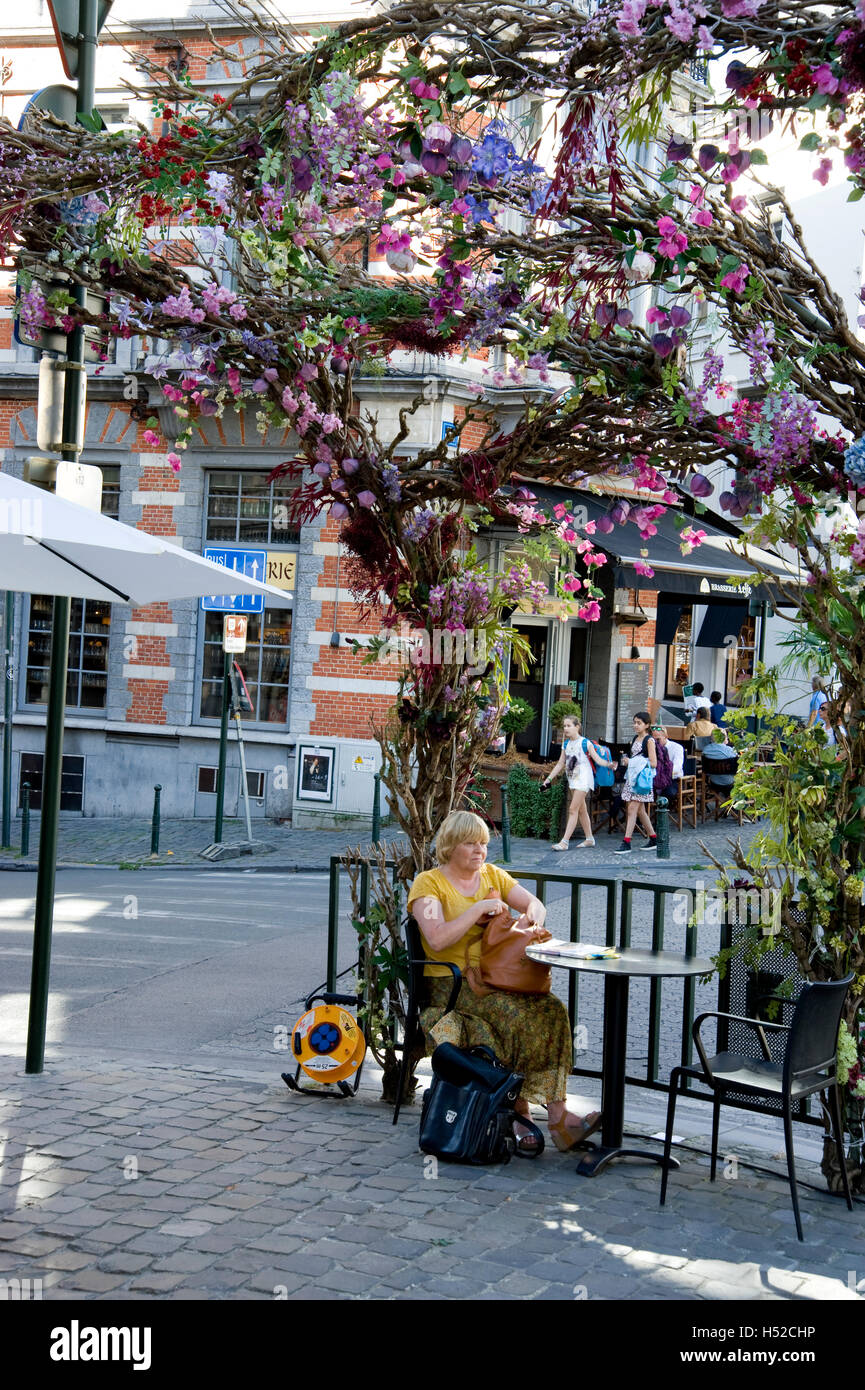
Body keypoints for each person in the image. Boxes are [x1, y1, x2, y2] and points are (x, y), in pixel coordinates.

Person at [407, 811, 602, 1153]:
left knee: (552, 1009)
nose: (479, 850)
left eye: (483, 843)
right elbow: (436, 939)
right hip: (451, 987)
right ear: (451, 845)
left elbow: (534, 904)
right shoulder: (429, 883)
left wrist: (530, 918)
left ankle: (558, 1116)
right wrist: (477, 909)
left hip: (494, 981)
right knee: (515, 1016)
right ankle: (517, 1108)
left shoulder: (491, 875)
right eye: (470, 843)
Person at [541, 714, 612, 850]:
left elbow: (597, 759)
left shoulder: (585, 743)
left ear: (577, 727)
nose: (566, 728)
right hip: (572, 779)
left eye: (569, 726)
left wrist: (609, 764)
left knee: (573, 809)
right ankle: (590, 838)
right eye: (564, 726)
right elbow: (561, 763)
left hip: (584, 780)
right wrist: (549, 779)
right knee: (581, 810)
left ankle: (564, 842)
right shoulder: (566, 744)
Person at [614, 712, 658, 853]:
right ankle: (653, 838)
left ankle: (626, 842)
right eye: (634, 722)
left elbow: (653, 762)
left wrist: (631, 762)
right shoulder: (635, 738)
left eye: (639, 723)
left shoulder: (649, 740)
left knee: (632, 809)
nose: (635, 725)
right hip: (633, 778)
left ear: (647, 725)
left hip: (641, 780)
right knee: (640, 810)